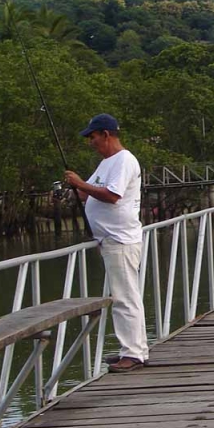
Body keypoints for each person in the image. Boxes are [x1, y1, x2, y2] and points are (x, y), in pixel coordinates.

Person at [64, 114, 147, 373]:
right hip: (110, 240)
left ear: (106, 134)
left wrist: (80, 183)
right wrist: (74, 189)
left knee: (124, 298)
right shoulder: (106, 163)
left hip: (120, 240)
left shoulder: (124, 160)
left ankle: (132, 354)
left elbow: (112, 195)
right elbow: (89, 191)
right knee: (126, 295)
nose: (90, 142)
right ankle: (135, 349)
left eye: (93, 136)